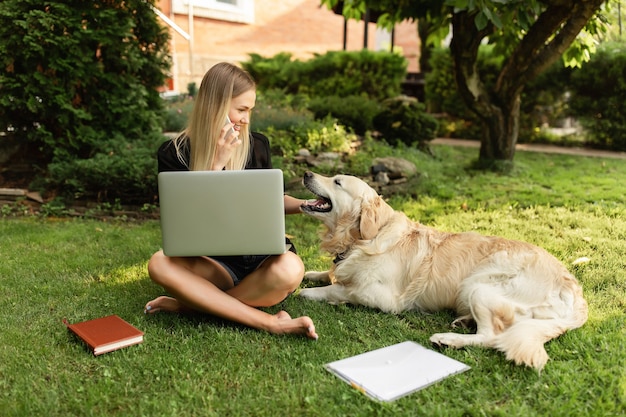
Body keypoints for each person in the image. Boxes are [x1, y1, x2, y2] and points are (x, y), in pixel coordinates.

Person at [144, 62, 318, 340]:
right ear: (216, 105)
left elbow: (270, 198)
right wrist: (215, 166)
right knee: (158, 264)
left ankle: (193, 306)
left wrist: (304, 205)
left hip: (262, 259)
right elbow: (186, 217)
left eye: (250, 109)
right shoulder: (173, 153)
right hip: (213, 262)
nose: (247, 119)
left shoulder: (257, 144)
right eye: (242, 109)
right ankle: (269, 323)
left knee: (291, 268)